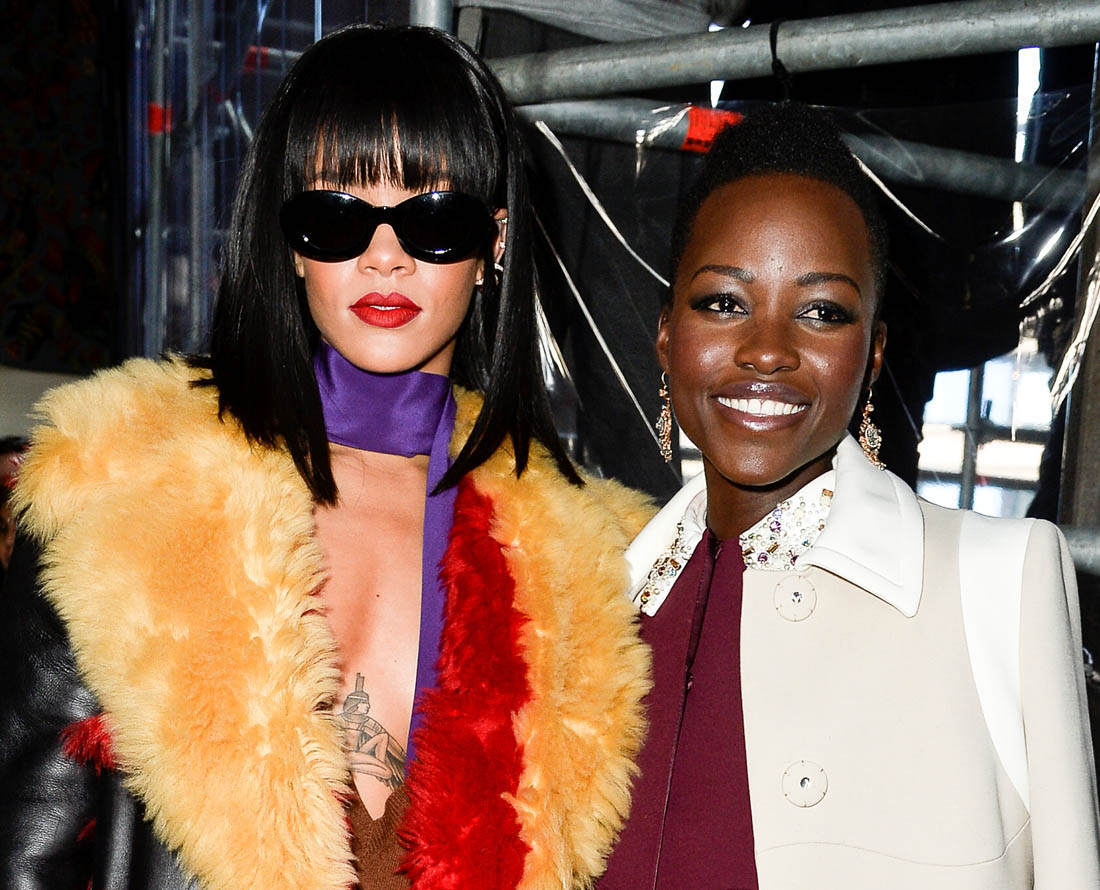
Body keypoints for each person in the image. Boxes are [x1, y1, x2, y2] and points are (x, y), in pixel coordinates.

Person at [0, 24, 653, 890]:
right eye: (336, 216)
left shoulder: (592, 562)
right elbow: (20, 853)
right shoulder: (117, 483)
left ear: (493, 244)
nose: (384, 257)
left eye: (433, 219)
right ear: (290, 240)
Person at [599, 102, 1099, 889]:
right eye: (724, 302)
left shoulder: (1000, 584)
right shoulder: (593, 605)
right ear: (667, 335)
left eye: (822, 312)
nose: (767, 350)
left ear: (873, 355)